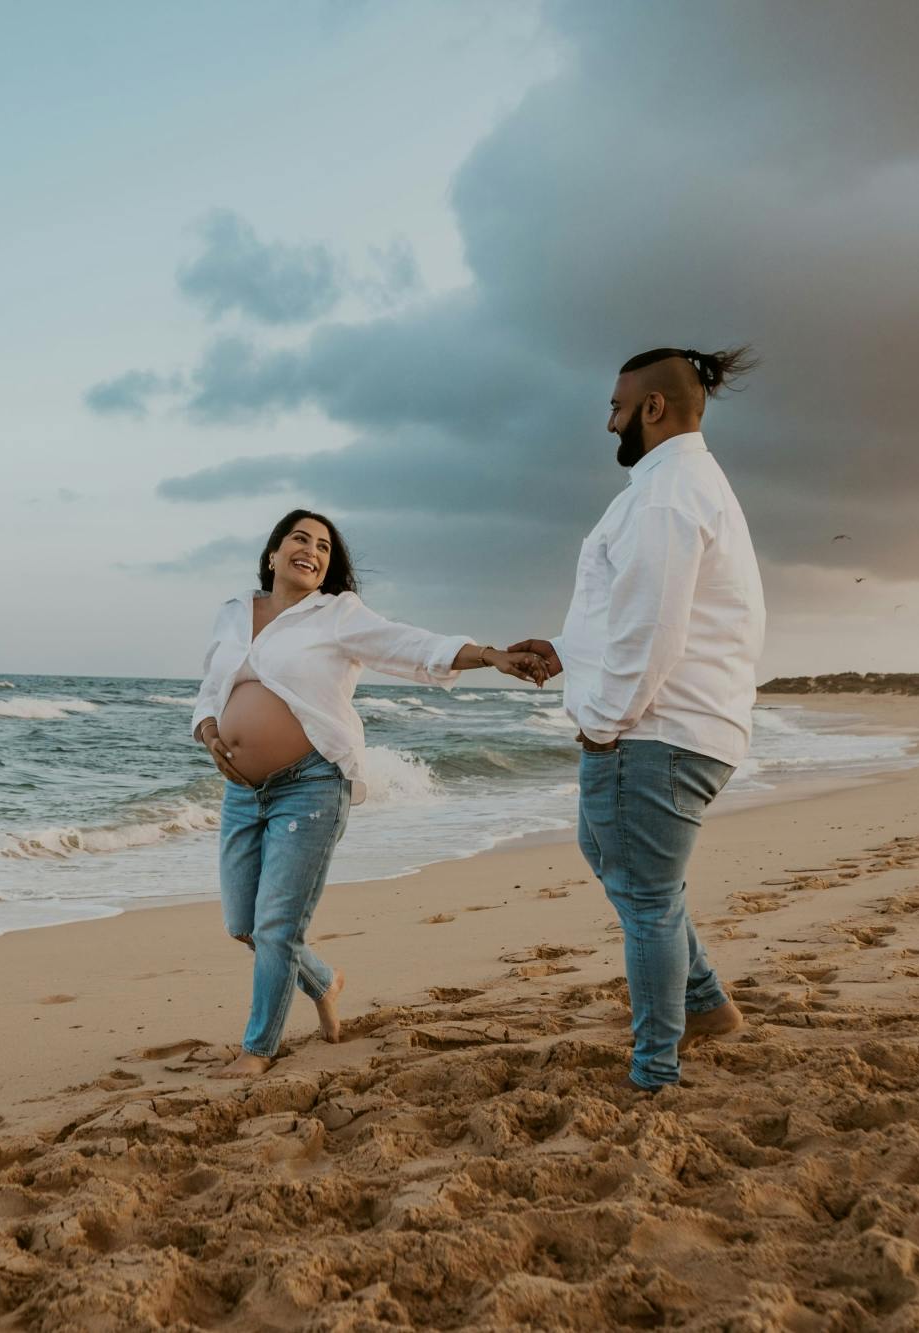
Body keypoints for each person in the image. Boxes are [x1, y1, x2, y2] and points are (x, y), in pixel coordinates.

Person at [191, 509, 548, 1079]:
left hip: (311, 785)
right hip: (242, 789)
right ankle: (326, 981)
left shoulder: (337, 615)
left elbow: (408, 645)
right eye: (300, 540)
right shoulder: (235, 612)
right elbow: (212, 684)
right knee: (244, 924)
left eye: (324, 548)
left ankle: (258, 1050)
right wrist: (208, 728)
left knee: (278, 926)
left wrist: (488, 654)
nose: (312, 552)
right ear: (273, 554)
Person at [511, 345, 766, 1093]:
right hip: (685, 724)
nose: (610, 422)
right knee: (615, 858)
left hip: (655, 728)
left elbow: (655, 629)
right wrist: (563, 651)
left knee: (647, 899)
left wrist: (606, 720)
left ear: (654, 408)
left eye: (617, 408)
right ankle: (707, 1002)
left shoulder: (665, 494)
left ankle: (656, 1068)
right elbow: (630, 610)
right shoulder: (680, 484)